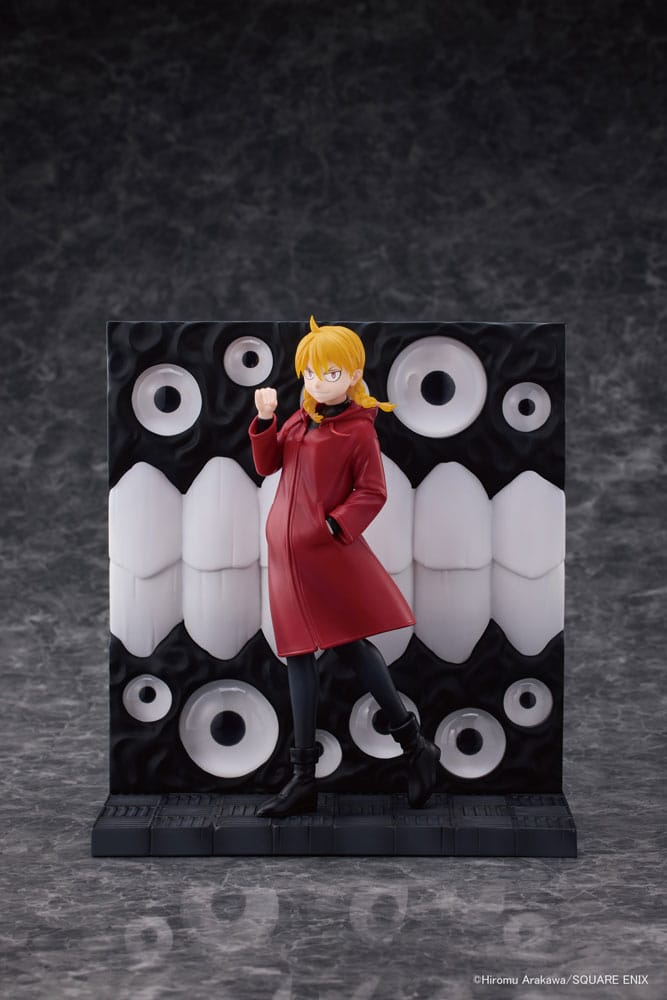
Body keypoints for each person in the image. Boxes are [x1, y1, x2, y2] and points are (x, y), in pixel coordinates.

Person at [248, 316, 441, 817]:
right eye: (311, 373)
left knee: (351, 645)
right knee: (298, 654)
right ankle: (305, 778)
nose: (318, 382)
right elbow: (267, 465)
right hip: (286, 560)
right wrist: (266, 421)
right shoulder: (299, 420)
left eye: (330, 372)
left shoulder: (357, 432)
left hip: (325, 557)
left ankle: (413, 746)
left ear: (354, 375)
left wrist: (333, 526)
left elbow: (373, 491)